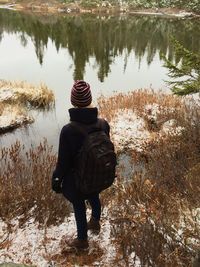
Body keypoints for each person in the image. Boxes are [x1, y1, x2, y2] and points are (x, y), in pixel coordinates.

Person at [52, 80, 111, 250]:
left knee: (78, 202)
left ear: (73, 101)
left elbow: (63, 163)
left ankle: (82, 241)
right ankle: (95, 222)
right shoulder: (103, 124)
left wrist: (56, 180)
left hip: (79, 180)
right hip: (98, 175)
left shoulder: (68, 130)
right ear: (90, 100)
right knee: (93, 194)